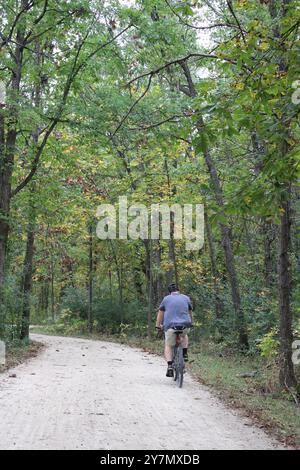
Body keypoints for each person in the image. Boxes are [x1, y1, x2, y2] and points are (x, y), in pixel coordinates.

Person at [156, 283, 193, 377]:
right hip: (185, 325)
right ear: (178, 290)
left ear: (170, 292)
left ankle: (169, 366)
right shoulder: (186, 298)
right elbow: (189, 312)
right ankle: (184, 353)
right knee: (184, 335)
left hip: (170, 326)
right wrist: (190, 322)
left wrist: (158, 325)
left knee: (168, 345)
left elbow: (160, 313)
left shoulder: (166, 299)